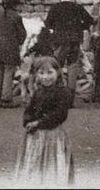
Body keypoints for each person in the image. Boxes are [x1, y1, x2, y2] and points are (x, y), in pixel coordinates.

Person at [15, 56, 76, 186]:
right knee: (34, 165)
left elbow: (59, 114)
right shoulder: (38, 92)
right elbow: (30, 109)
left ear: (57, 72)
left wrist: (38, 123)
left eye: (50, 73)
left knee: (51, 164)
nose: (46, 77)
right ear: (36, 74)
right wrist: (27, 121)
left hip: (51, 134)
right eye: (41, 73)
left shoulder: (63, 93)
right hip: (35, 135)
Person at [44, 0, 94, 94]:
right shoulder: (77, 7)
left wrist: (55, 30)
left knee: (57, 66)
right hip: (75, 40)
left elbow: (47, 24)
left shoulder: (55, 8)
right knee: (72, 66)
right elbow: (90, 20)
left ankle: (55, 93)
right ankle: (70, 96)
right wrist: (81, 27)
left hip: (59, 41)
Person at [0, 0, 27, 108]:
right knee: (8, 72)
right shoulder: (16, 17)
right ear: (15, 5)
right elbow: (22, 34)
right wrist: (19, 42)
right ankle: (6, 99)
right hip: (10, 48)